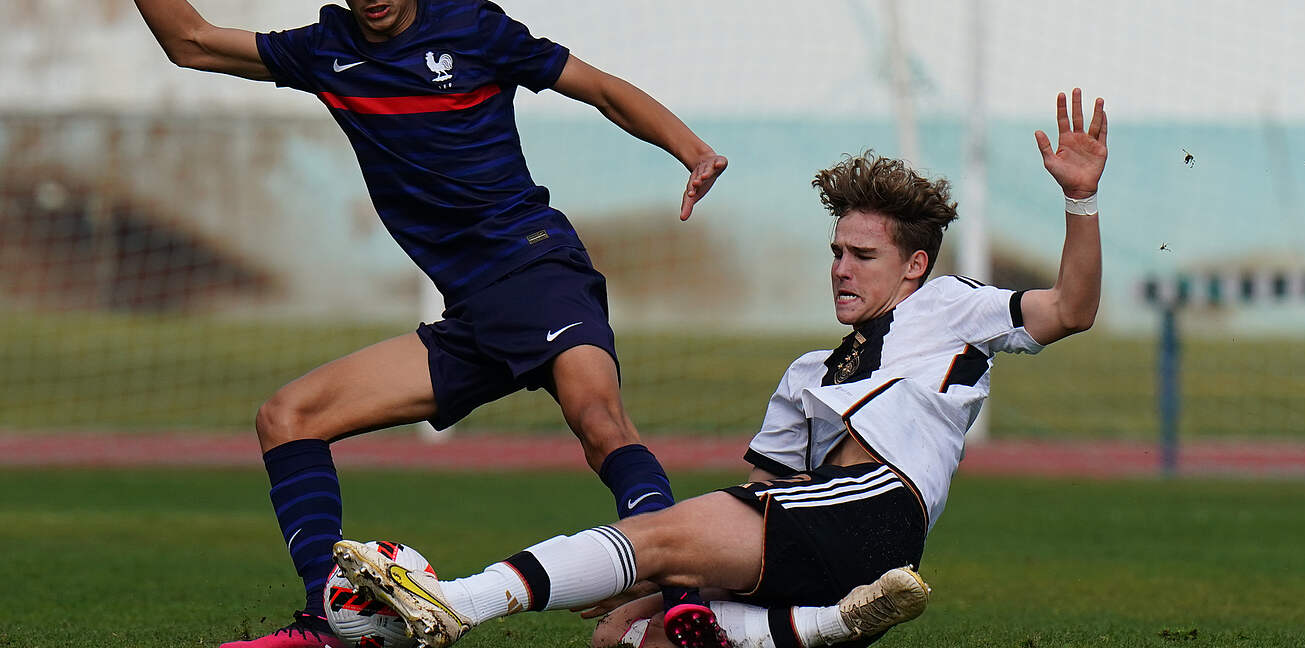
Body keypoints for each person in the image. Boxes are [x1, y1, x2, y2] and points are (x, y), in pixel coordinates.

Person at [64, 0, 727, 646]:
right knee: (288, 419)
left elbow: (601, 89)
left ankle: (681, 595)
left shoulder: (475, 29)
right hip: (472, 313)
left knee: (600, 423)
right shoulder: (326, 52)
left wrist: (691, 149)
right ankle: (329, 621)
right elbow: (189, 42)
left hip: (538, 268)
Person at [331, 90, 1108, 648]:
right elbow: (760, 492)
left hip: (876, 509)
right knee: (627, 634)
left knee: (656, 538)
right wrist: (650, 588)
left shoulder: (949, 306)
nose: (840, 268)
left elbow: (1070, 309)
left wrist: (1080, 204)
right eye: (835, 252)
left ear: (913, 265)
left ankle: (455, 602)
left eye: (861, 256)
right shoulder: (809, 370)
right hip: (831, 543)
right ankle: (828, 624)